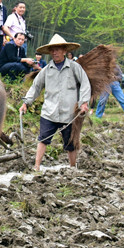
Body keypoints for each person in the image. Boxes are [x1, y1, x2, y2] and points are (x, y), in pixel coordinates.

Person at [20, 34, 91, 171]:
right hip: (49, 112)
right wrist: (26, 103)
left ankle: (72, 167)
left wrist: (83, 102)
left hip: (69, 113)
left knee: (71, 143)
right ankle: (37, 166)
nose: (55, 52)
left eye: (58, 49)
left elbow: (85, 84)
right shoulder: (46, 70)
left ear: (64, 51)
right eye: (52, 50)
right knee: (43, 139)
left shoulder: (74, 67)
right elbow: (36, 87)